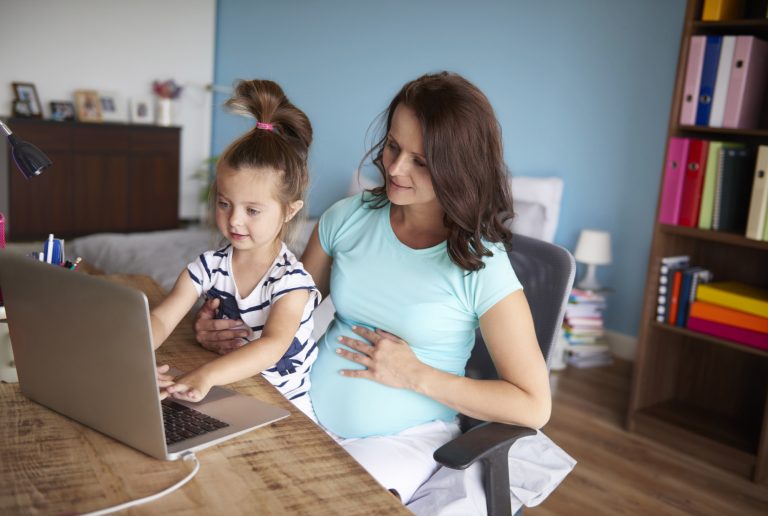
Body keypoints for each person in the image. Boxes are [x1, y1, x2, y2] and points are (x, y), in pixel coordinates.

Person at [194, 72, 572, 511]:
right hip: (306, 412)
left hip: (404, 440)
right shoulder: (347, 218)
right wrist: (221, 328)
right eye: (393, 146)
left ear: (458, 167)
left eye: (421, 161)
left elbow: (532, 406)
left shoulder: (481, 265)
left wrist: (414, 375)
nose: (394, 168)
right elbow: (285, 309)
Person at [152, 79, 319, 417]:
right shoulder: (208, 266)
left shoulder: (292, 282)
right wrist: (133, 356)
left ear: (290, 211)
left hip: (286, 412)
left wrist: (206, 375)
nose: (235, 221)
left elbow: (272, 347)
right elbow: (161, 317)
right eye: (225, 203)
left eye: (252, 210)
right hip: (229, 395)